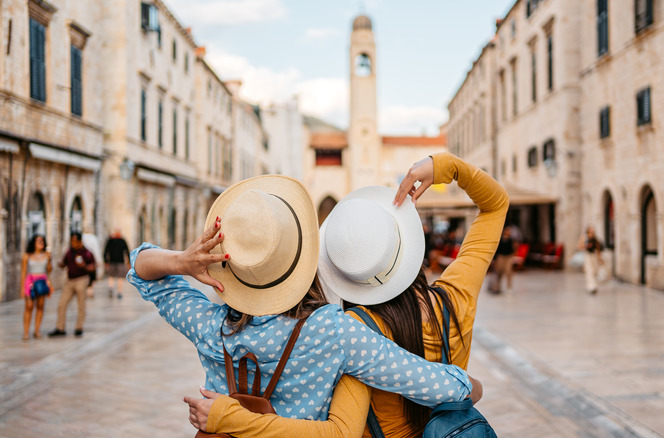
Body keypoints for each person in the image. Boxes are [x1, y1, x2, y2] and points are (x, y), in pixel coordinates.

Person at [129, 175, 481, 435]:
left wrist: (181, 261)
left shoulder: (208, 325)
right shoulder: (335, 331)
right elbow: (433, 384)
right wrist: (469, 385)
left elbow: (142, 267)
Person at [49, 232, 95, 337]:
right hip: (69, 281)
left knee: (81, 305)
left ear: (80, 241)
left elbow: (93, 267)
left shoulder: (87, 253)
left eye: (75, 241)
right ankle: (60, 328)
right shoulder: (69, 252)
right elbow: (64, 263)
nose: (73, 243)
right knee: (62, 304)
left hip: (82, 280)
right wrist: (56, 262)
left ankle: (79, 327)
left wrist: (83, 266)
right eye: (71, 241)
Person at [20, 234, 52, 340]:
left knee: (40, 305)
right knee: (29, 306)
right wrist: (22, 288)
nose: (40, 243)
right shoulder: (27, 256)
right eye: (38, 241)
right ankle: (26, 331)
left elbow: (49, 270)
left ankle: (37, 330)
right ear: (33, 243)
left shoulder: (46, 255)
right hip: (31, 281)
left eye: (42, 241)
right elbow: (23, 273)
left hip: (42, 280)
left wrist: (49, 260)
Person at [103, 229, 130, 299]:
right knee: (120, 278)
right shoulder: (122, 241)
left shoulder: (110, 241)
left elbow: (105, 251)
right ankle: (119, 292)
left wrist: (105, 261)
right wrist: (128, 262)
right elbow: (127, 251)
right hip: (120, 262)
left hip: (112, 262)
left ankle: (111, 288)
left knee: (111, 276)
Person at [490, 226, 518, 294]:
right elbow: (496, 250)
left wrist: (513, 254)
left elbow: (514, 248)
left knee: (509, 272)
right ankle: (497, 286)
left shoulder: (511, 240)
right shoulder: (500, 239)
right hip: (501, 257)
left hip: (508, 257)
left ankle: (509, 287)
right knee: (499, 272)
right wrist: (494, 259)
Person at [578, 225, 603, 295]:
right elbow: (580, 246)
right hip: (587, 255)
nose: (592, 231)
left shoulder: (595, 239)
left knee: (595, 271)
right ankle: (591, 287)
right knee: (589, 271)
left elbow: (598, 249)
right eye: (591, 230)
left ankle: (592, 285)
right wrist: (586, 246)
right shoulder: (584, 238)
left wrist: (600, 258)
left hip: (593, 256)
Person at [82, 232, 101, 299]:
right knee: (91, 277)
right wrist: (98, 261)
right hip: (91, 262)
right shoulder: (93, 239)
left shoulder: (83, 238)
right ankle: (90, 291)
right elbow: (96, 250)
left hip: (85, 262)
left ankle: (87, 291)